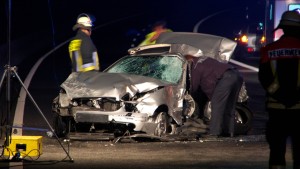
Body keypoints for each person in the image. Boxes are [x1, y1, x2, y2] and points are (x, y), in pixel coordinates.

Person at [258, 10, 300, 169]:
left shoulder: (269, 50)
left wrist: (279, 95)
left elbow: (264, 78)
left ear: (283, 28)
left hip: (276, 109)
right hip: (299, 109)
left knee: (276, 151)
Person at [185, 53, 243, 138]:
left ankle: (214, 132)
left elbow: (194, 85)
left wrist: (187, 93)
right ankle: (229, 132)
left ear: (189, 61)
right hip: (237, 75)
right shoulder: (204, 59)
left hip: (226, 77)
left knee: (216, 105)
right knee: (230, 106)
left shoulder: (196, 66)